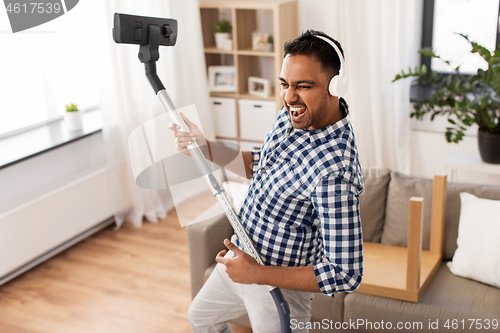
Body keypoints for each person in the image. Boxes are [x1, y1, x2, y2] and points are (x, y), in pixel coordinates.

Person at [169, 30, 364, 333]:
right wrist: (205, 146)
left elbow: (345, 274)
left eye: (303, 86)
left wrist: (258, 273)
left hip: (277, 288)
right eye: (285, 84)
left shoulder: (334, 172)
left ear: (336, 86)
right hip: (240, 258)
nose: (289, 97)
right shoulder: (293, 116)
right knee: (202, 318)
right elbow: (261, 165)